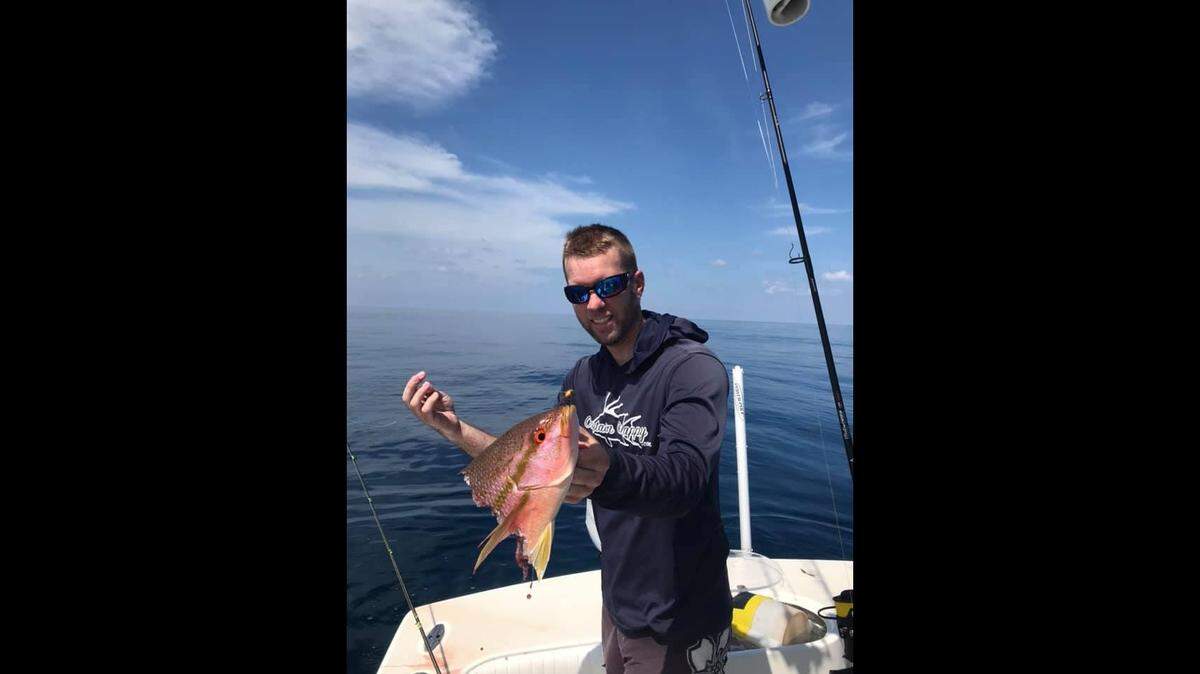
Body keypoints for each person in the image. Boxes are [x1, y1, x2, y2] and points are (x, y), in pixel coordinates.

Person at [402, 224, 732, 674]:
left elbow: (686, 480)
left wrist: (609, 471)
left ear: (636, 283)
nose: (595, 305)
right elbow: (533, 460)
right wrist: (455, 429)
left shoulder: (690, 367)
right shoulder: (583, 377)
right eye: (578, 293)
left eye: (609, 286)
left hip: (681, 613)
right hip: (618, 598)